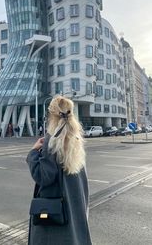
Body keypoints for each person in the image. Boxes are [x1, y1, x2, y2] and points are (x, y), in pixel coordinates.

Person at [26, 95, 92, 245]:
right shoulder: (76, 139)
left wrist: (33, 153)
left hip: (55, 217)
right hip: (75, 206)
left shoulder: (52, 141)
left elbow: (43, 176)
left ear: (52, 116)